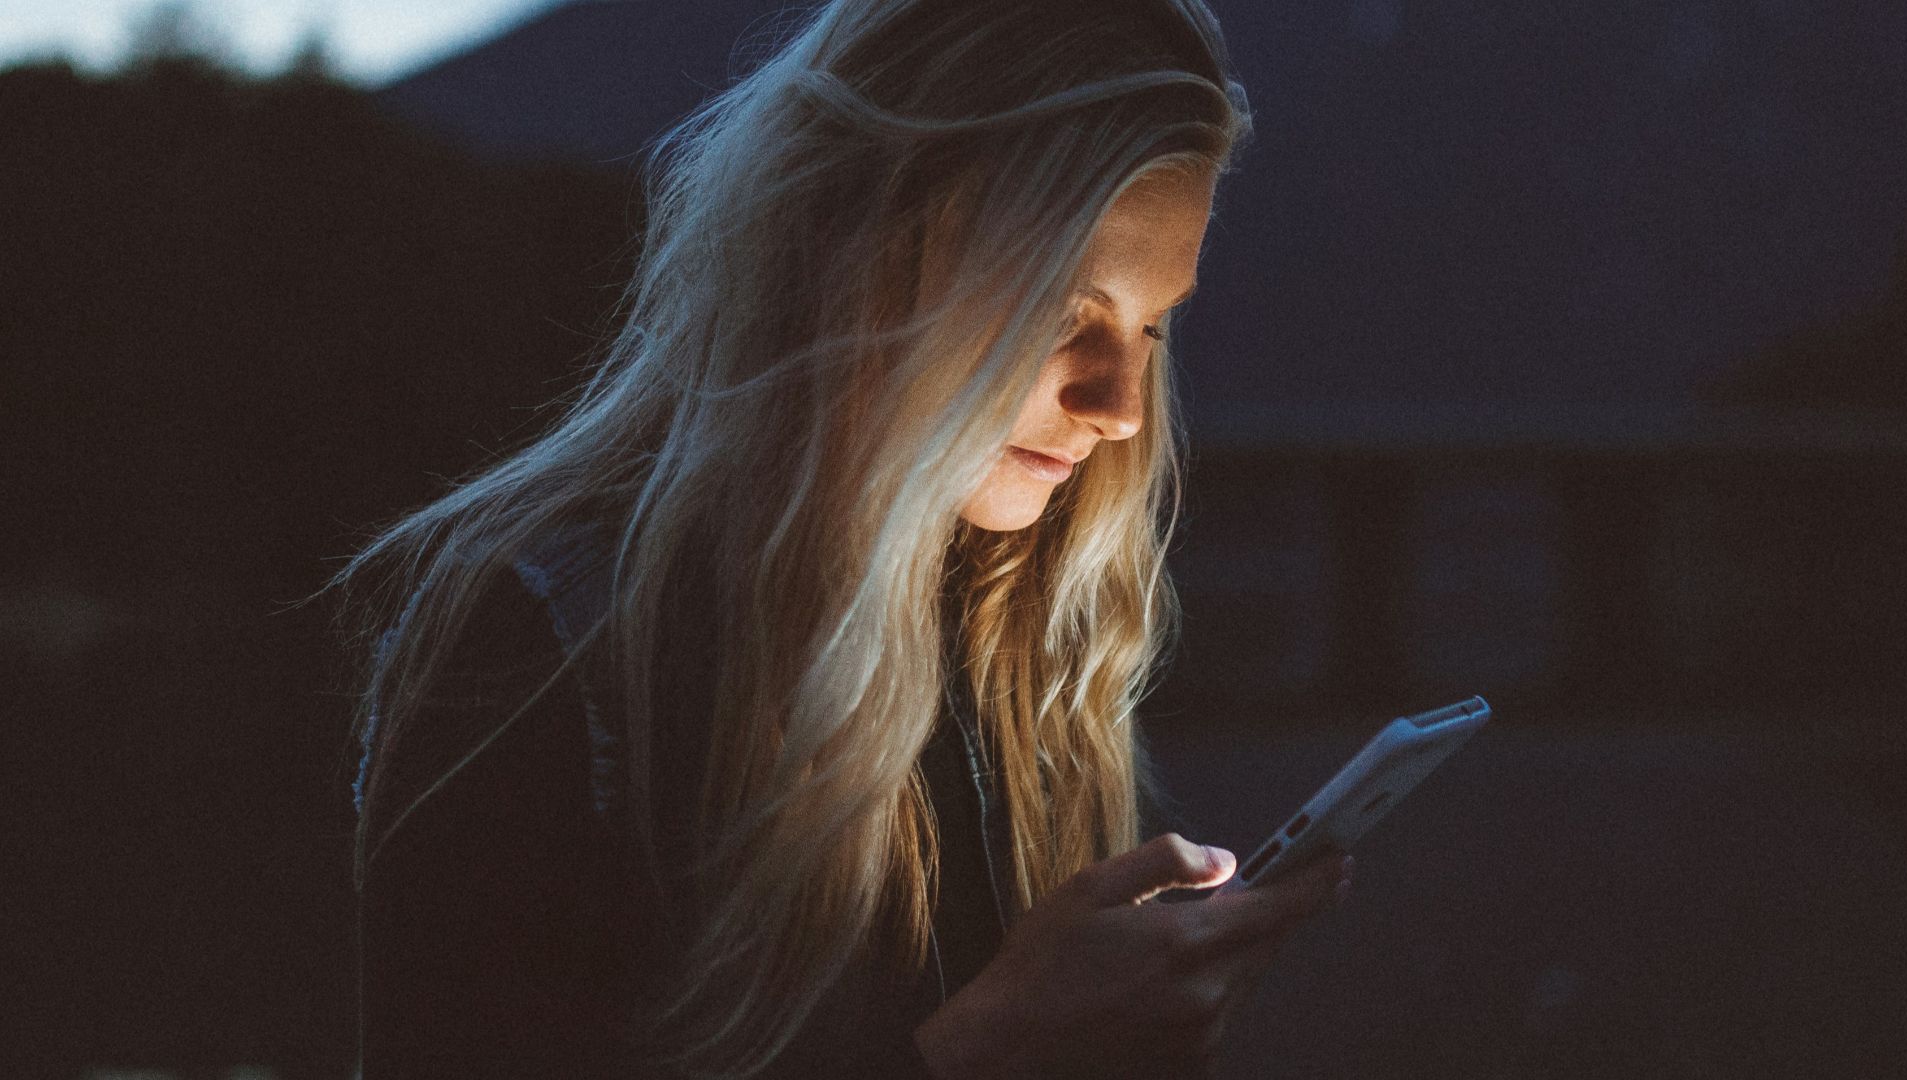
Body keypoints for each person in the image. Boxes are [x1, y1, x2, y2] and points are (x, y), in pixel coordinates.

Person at [329, 0, 1355, 1076]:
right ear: (855, 245)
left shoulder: (1016, 636)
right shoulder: (543, 652)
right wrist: (986, 1050)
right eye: (1061, 309)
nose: (1123, 407)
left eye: (1150, 324)